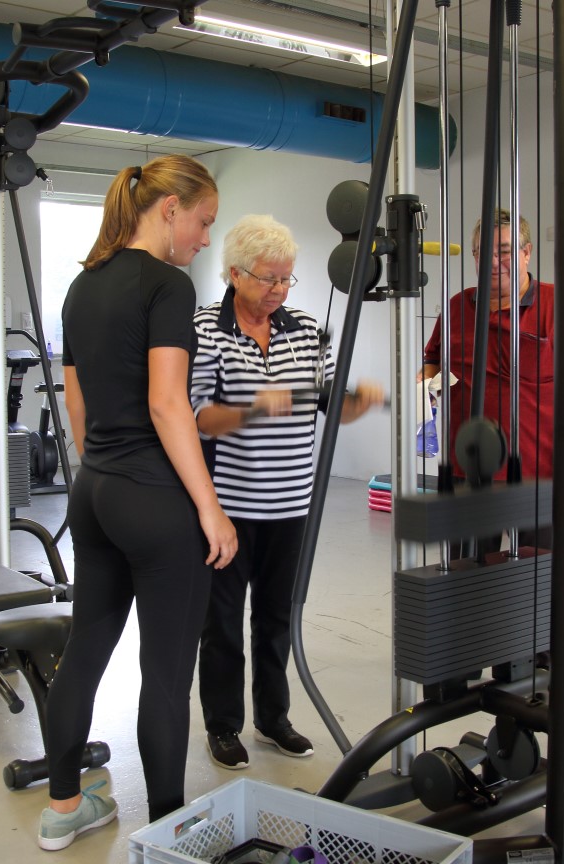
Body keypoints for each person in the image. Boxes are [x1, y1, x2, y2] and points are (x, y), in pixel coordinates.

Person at [39, 154, 238, 852]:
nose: (205, 240)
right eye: (203, 222)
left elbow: (77, 404)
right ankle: (167, 836)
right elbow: (167, 403)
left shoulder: (81, 285)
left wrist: (104, 467)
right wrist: (210, 508)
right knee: (165, 677)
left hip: (94, 492)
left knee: (83, 651)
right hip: (154, 502)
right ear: (169, 209)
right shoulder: (167, 286)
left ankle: (64, 808)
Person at [189, 214, 383, 771]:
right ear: (234, 274)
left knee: (277, 619)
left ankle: (274, 719)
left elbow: (327, 403)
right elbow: (197, 417)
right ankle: (223, 726)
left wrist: (357, 404)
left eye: (286, 278)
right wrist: (254, 409)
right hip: (227, 508)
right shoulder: (204, 330)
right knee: (222, 624)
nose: (278, 290)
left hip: (293, 505)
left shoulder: (306, 329)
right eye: (268, 278)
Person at [420, 209, 554, 546]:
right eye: (482, 253)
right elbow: (433, 360)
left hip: (537, 474)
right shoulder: (457, 307)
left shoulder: (556, 305)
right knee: (468, 571)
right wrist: (424, 386)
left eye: (504, 251)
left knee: (538, 571)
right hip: (468, 469)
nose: (493, 263)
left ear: (527, 252)